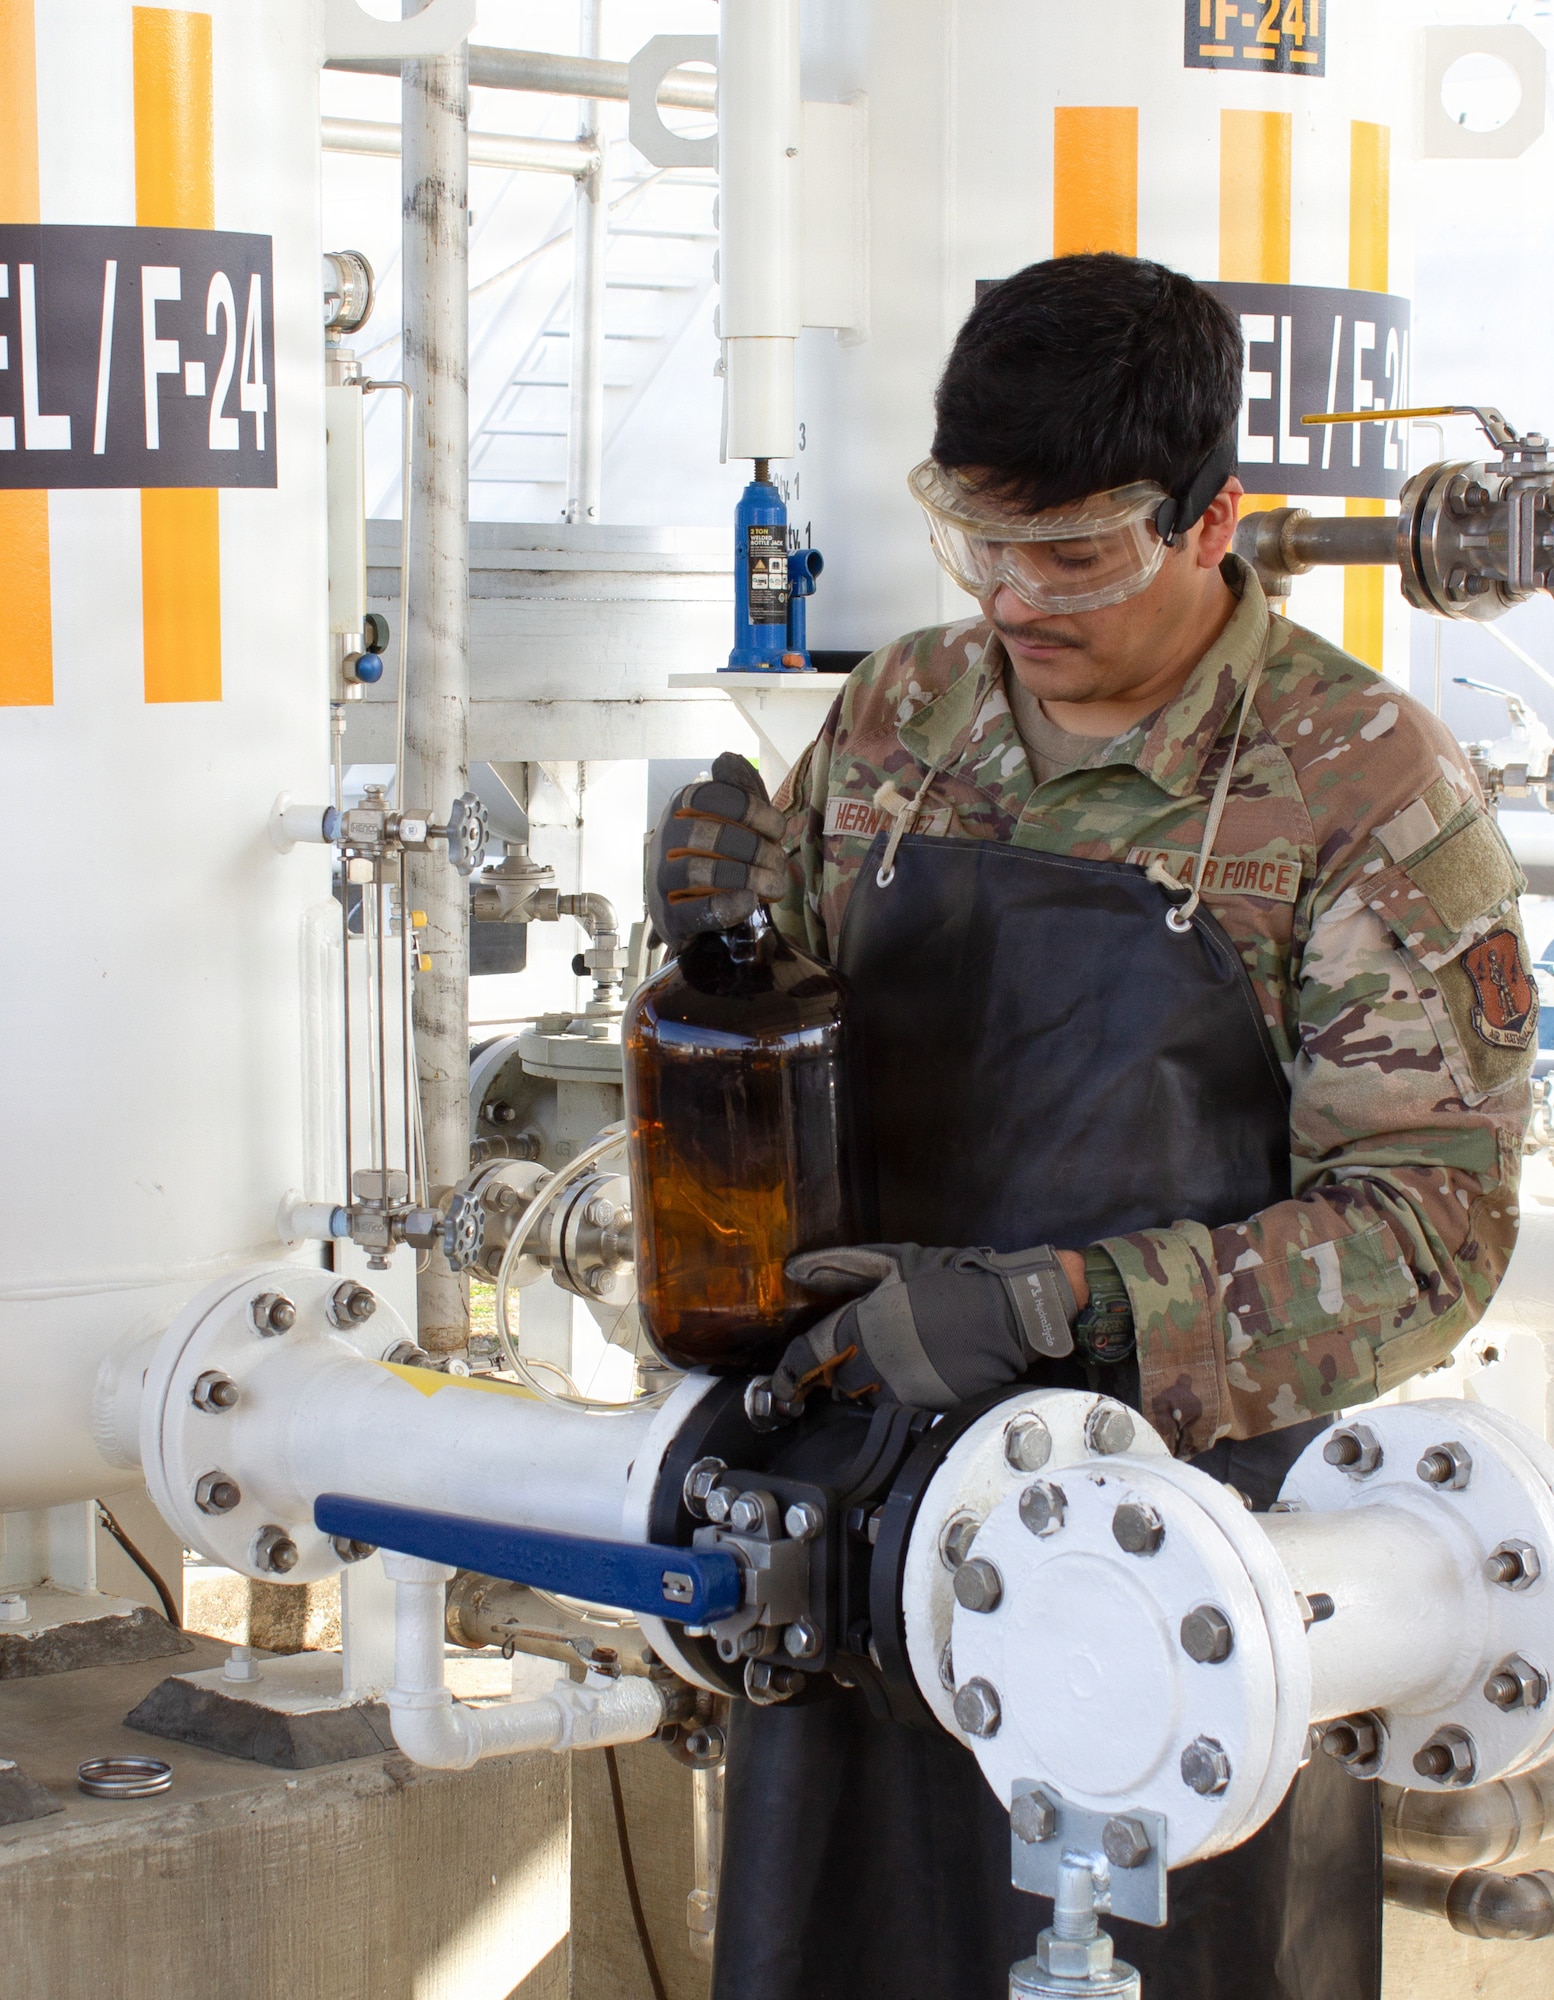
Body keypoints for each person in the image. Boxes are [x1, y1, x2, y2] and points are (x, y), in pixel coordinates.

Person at [646, 253, 1534, 2000]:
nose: (1016, 598)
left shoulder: (1357, 785)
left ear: (1212, 524)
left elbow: (1428, 1236)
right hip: (865, 1510)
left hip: (1172, 1564)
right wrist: (713, 960)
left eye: (1076, 554)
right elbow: (779, 1086)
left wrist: (1066, 1310)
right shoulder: (901, 717)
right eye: (980, 539)